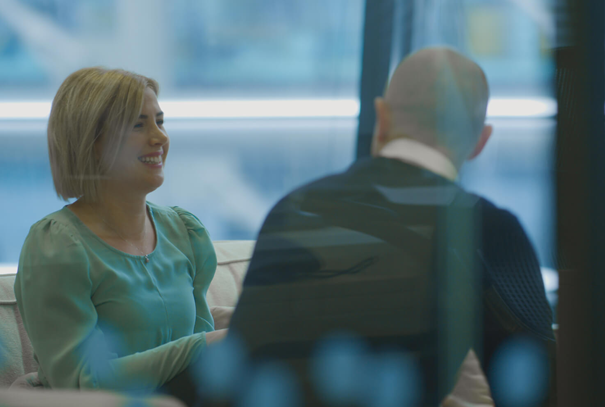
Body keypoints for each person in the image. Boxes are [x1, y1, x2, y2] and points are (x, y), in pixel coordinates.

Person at [229, 47, 555, 406]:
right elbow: (543, 388)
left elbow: (235, 372)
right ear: (480, 140)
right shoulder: (484, 228)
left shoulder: (293, 207)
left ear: (381, 118)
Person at [14, 67, 227, 396]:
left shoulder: (184, 232)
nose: (159, 138)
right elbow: (80, 383)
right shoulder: (55, 245)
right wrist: (203, 345)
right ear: (93, 142)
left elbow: (203, 368)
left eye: (160, 122)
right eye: (138, 125)